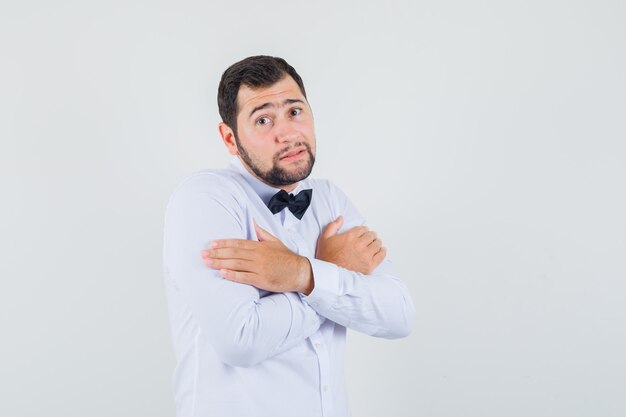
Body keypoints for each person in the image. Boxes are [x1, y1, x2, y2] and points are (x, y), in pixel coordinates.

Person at [163, 55, 415, 417]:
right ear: (230, 138)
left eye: (295, 112)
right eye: (263, 119)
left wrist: (303, 275)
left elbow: (399, 315)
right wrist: (330, 270)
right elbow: (242, 340)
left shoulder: (329, 199)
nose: (288, 133)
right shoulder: (205, 199)